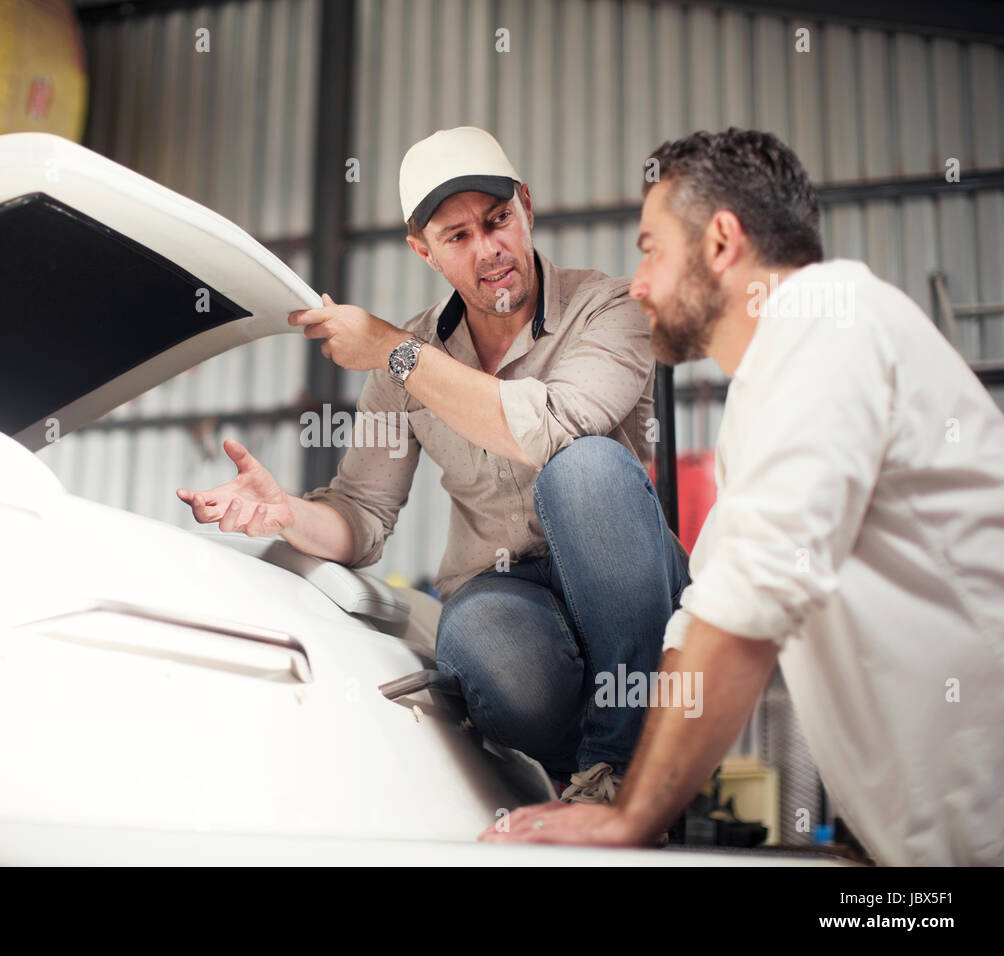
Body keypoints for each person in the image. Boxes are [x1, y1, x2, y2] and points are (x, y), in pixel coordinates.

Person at [483, 127, 1004, 865]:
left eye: (652, 248)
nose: (639, 283)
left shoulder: (827, 321)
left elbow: (750, 604)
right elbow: (706, 610)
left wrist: (633, 816)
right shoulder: (776, 390)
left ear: (721, 242)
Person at [176, 126, 688, 797]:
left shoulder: (610, 308)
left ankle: (627, 773)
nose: (490, 249)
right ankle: (586, 774)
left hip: (626, 583)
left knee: (584, 469)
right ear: (425, 252)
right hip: (510, 592)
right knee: (475, 634)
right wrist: (285, 513)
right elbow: (361, 517)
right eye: (458, 237)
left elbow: (555, 427)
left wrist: (397, 352)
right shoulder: (400, 361)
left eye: (498, 220)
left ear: (526, 206)